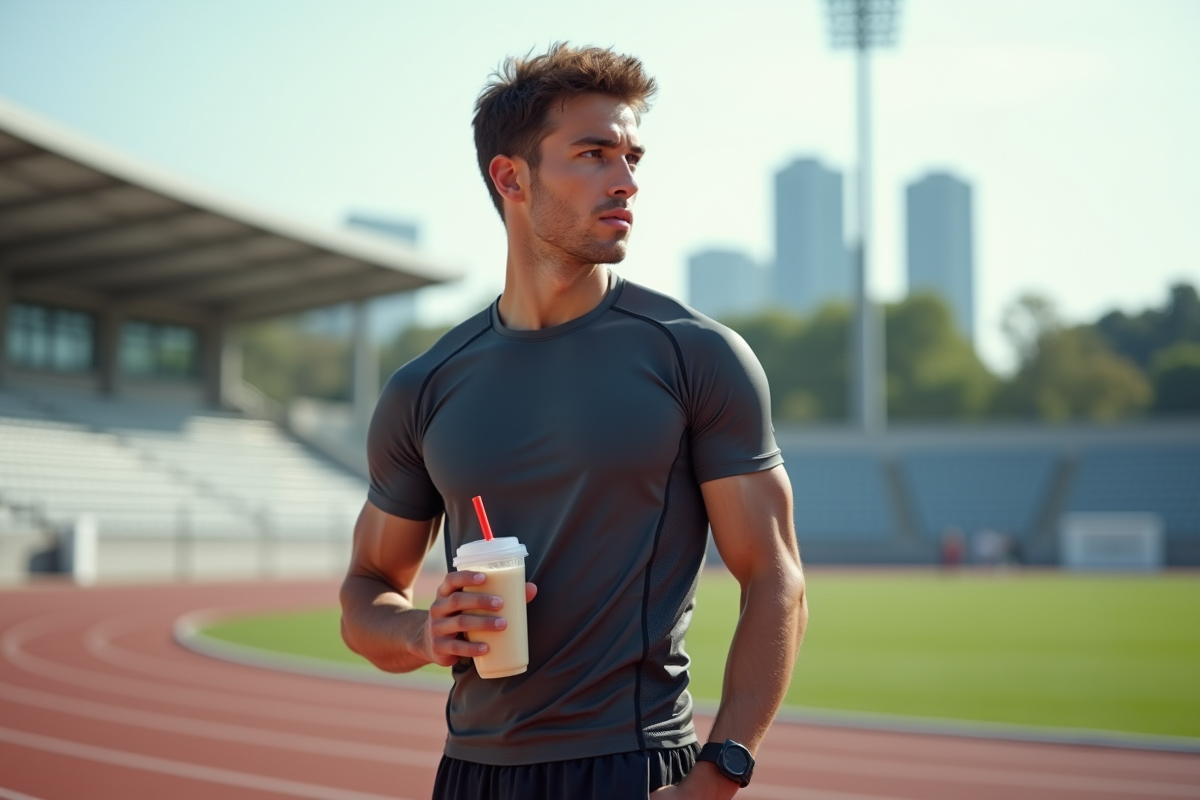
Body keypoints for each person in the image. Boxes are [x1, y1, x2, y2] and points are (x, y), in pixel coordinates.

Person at [340, 43, 808, 800]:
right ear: (511, 176)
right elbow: (365, 591)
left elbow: (776, 578)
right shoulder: (423, 387)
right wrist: (420, 633)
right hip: (471, 777)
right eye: (594, 154)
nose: (625, 180)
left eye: (632, 157)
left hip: (634, 769)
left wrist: (722, 773)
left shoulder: (697, 356)